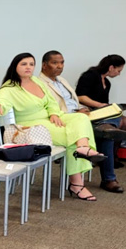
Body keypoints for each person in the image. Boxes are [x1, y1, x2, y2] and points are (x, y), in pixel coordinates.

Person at [0, 53, 105, 202]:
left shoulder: (36, 81)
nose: (28, 67)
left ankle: (82, 146)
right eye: (24, 64)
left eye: (31, 64)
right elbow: (1, 100)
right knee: (72, 138)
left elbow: (51, 102)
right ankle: (77, 184)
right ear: (15, 66)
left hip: (49, 118)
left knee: (81, 117)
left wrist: (53, 114)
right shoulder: (9, 87)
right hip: (32, 125)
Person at [40, 50, 122, 193]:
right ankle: (109, 179)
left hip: (81, 115)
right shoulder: (40, 83)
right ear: (44, 65)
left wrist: (82, 108)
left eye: (62, 62)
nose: (59, 66)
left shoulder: (62, 80)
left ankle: (106, 128)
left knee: (116, 116)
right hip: (67, 119)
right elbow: (49, 107)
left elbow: (74, 101)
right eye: (55, 63)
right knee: (107, 136)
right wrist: (77, 112)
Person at [76, 54, 126, 130]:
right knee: (119, 122)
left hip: (99, 111)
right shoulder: (90, 75)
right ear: (111, 68)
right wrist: (100, 105)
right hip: (87, 110)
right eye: (119, 71)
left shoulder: (107, 83)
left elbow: (104, 102)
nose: (119, 74)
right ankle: (107, 128)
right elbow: (80, 97)